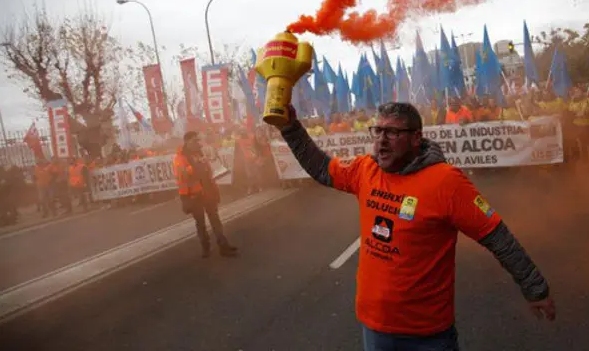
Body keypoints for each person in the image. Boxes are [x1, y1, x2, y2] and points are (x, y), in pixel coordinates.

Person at [274, 102, 555, 351]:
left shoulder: (447, 182)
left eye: (393, 133)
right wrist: (290, 127)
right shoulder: (365, 170)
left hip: (428, 334)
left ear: (416, 138)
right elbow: (321, 168)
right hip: (375, 327)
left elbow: (497, 237)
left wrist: (535, 288)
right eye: (378, 131)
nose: (382, 141)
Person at [174, 131, 238, 258]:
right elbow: (183, 174)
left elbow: (208, 171)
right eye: (195, 140)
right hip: (194, 196)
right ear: (187, 142)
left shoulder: (200, 153)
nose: (198, 143)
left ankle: (223, 246)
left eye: (198, 140)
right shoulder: (180, 157)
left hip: (208, 192)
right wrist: (196, 165)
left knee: (215, 219)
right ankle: (205, 247)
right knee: (200, 223)